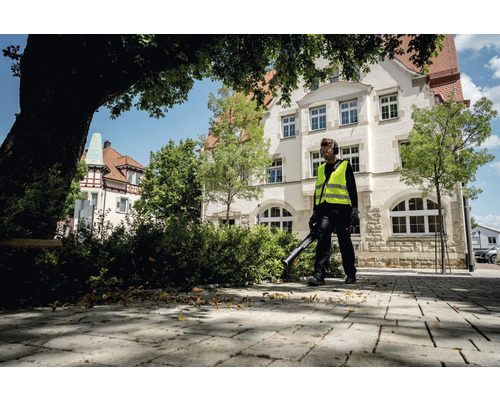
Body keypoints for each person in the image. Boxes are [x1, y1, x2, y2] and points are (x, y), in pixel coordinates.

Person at [308, 138, 359, 286]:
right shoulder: (320, 169)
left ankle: (350, 274)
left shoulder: (345, 166)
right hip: (325, 210)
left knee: (345, 242)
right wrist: (314, 212)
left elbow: (352, 189)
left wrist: (354, 209)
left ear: (335, 150)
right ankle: (318, 275)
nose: (325, 154)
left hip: (343, 209)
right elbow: (317, 192)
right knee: (322, 240)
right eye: (322, 151)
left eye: (328, 151)